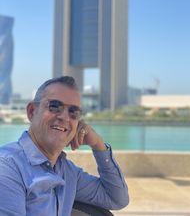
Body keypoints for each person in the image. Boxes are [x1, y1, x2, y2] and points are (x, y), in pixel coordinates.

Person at [0, 76, 129, 216]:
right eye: (54, 106)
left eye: (73, 112)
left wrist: (98, 145)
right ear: (32, 111)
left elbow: (116, 198)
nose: (65, 118)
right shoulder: (8, 167)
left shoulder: (67, 172)